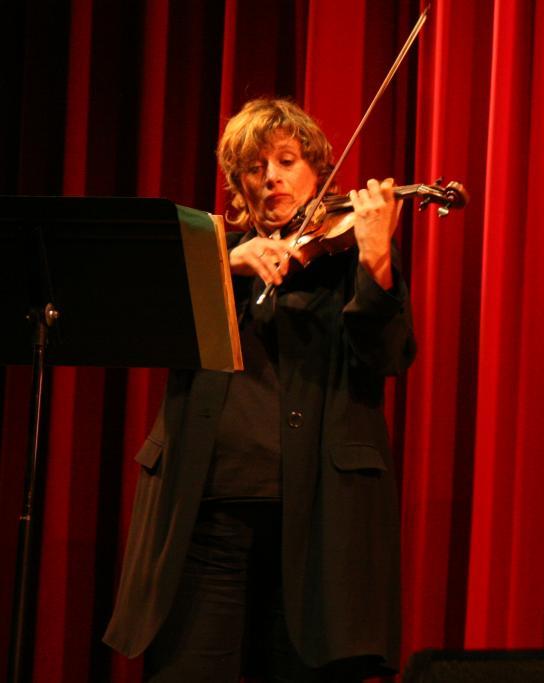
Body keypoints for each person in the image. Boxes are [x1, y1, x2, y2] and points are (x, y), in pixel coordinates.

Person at [104, 98, 416, 681]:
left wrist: (375, 258)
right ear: (238, 185)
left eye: (287, 160)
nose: (271, 177)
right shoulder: (207, 254)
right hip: (204, 520)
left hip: (320, 520)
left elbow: (385, 358)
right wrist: (224, 265)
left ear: (318, 170)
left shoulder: (349, 258)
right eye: (255, 167)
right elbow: (137, 327)